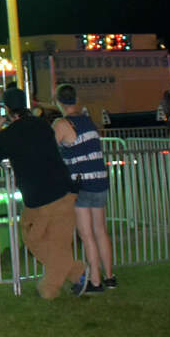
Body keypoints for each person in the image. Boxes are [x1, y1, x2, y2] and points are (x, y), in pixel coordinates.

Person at [0, 88, 87, 299]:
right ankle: (77, 272)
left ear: (6, 110)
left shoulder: (8, 135)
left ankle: (52, 287)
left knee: (34, 237)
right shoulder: (42, 125)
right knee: (50, 241)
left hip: (39, 198)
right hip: (62, 191)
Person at [53, 84, 115, 292]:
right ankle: (109, 276)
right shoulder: (88, 120)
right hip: (100, 179)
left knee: (86, 234)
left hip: (81, 183)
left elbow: (51, 150)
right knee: (100, 231)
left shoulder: (62, 123)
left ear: (58, 102)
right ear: (75, 99)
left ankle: (95, 281)